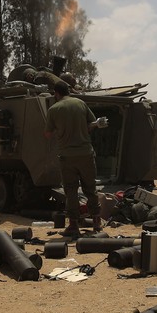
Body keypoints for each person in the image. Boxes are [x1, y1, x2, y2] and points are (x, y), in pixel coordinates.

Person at [44, 80, 108, 238]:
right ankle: (96, 223)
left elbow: (47, 134)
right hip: (86, 153)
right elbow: (91, 125)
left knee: (71, 190)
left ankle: (73, 225)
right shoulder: (80, 103)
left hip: (67, 156)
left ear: (56, 93)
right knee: (90, 188)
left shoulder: (53, 109)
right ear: (69, 91)